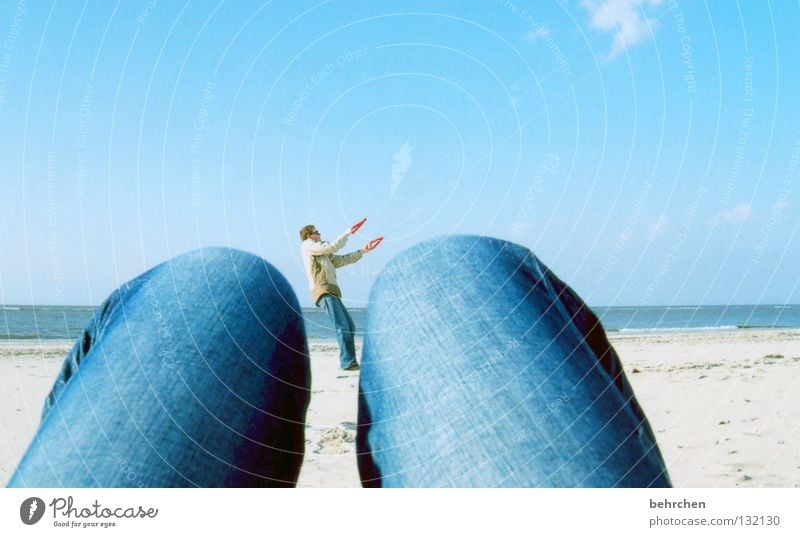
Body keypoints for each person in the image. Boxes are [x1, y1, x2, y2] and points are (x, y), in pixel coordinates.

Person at [8, 235, 671, 488]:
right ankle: (353, 362)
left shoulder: (318, 256)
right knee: (449, 271)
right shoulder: (312, 252)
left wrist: (357, 249)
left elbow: (343, 256)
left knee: (223, 284)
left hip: (329, 286)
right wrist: (352, 243)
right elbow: (334, 252)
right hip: (327, 292)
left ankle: (352, 359)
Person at [298, 220, 378, 370]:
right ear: (310, 235)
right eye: (317, 232)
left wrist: (363, 251)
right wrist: (348, 232)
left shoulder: (322, 253)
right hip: (323, 290)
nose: (319, 234)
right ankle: (348, 363)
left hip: (331, 290)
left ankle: (349, 361)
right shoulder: (308, 245)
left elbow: (342, 260)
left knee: (349, 325)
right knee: (342, 326)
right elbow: (331, 246)